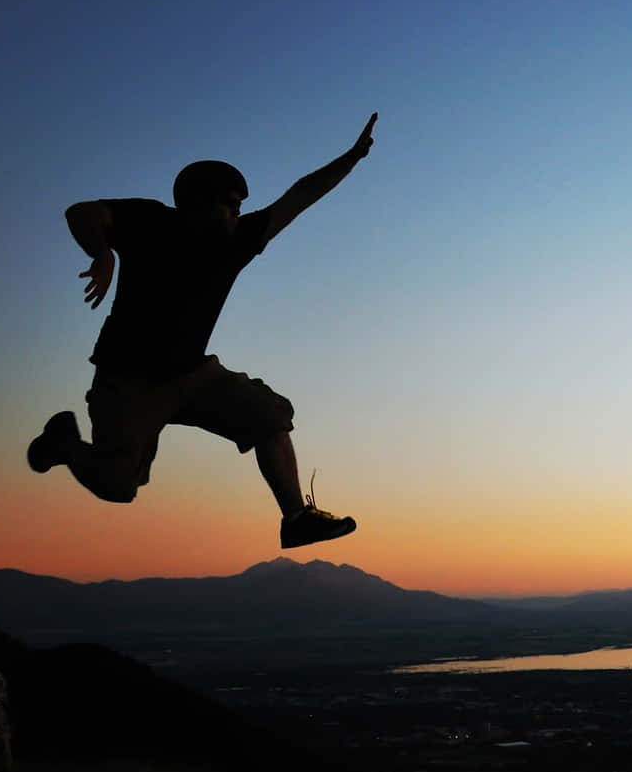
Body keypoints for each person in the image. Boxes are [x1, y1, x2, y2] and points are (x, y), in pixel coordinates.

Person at [28, 114, 378, 548]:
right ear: (196, 203)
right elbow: (82, 213)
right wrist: (102, 252)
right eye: (230, 204)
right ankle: (65, 444)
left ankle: (296, 519)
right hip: (127, 380)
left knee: (269, 415)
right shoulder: (149, 222)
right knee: (117, 486)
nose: (238, 213)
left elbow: (299, 196)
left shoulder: (239, 239)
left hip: (192, 374)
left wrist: (352, 158)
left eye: (240, 206)